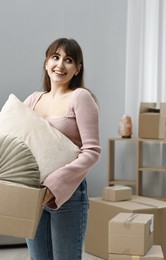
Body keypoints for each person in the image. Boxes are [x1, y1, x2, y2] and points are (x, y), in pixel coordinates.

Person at [23, 38, 101, 259]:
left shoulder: (81, 98)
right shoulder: (32, 100)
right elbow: (6, 137)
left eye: (68, 60)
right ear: (46, 63)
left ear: (78, 68)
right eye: (55, 57)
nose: (60, 65)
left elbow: (92, 151)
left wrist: (54, 186)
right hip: (34, 192)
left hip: (68, 195)